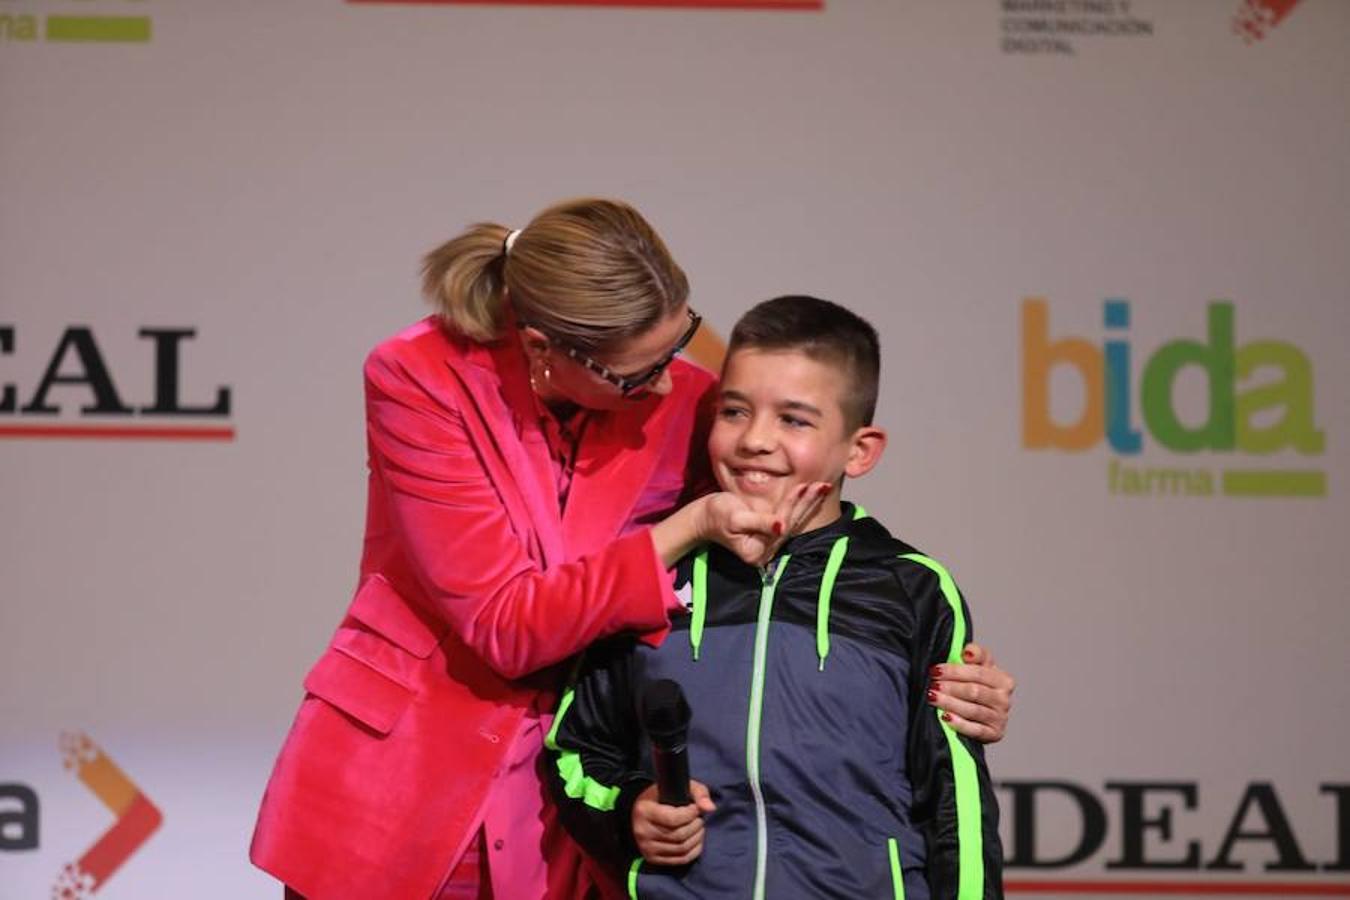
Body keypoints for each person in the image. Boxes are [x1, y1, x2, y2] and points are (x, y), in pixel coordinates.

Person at [250, 199, 1014, 900]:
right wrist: (689, 524)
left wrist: (945, 672)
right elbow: (505, 623)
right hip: (404, 780)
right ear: (548, 351)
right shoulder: (418, 376)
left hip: (560, 818)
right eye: (642, 371)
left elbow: (796, 526)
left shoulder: (691, 401)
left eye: (679, 345)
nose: (672, 386)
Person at [545, 295, 1004, 899]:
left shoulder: (911, 588)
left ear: (860, 450)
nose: (755, 440)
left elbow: (954, 803)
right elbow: (575, 752)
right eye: (735, 411)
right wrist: (630, 807)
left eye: (794, 420)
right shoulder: (657, 571)